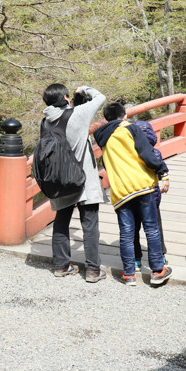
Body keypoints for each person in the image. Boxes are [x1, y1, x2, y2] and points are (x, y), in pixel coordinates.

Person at [94, 102, 172, 286]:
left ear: (106, 119)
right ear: (125, 115)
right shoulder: (131, 129)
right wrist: (163, 172)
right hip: (142, 185)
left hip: (120, 191)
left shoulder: (102, 137)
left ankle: (129, 274)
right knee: (151, 229)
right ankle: (157, 270)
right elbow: (147, 154)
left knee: (126, 233)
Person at [42, 83, 107, 283]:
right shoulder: (78, 114)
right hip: (83, 179)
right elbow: (100, 97)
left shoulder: (45, 122)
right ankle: (93, 270)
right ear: (65, 98)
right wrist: (84, 88)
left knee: (61, 222)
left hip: (60, 181)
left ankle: (62, 266)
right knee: (90, 225)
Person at [127, 115, 166, 273]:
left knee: (133, 228)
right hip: (152, 197)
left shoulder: (128, 155)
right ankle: (160, 255)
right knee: (155, 228)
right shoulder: (155, 153)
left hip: (132, 195)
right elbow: (162, 171)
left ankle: (136, 258)